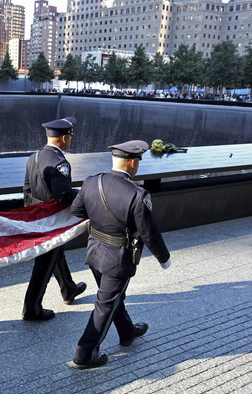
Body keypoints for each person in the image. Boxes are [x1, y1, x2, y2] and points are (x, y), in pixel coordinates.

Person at [69, 140, 172, 369]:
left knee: (112, 297)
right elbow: (149, 232)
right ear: (133, 162)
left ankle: (127, 332)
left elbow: (76, 211)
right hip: (118, 258)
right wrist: (163, 258)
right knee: (106, 302)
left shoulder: (90, 182)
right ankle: (84, 354)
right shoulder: (138, 194)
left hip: (95, 251)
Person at [22, 116, 87, 321]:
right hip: (52, 219)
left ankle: (68, 288)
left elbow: (26, 189)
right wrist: (83, 194)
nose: (71, 140)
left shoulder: (35, 156)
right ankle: (31, 308)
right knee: (44, 262)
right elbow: (63, 195)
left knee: (55, 253)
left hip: (37, 215)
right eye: (70, 136)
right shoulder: (59, 162)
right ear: (64, 138)